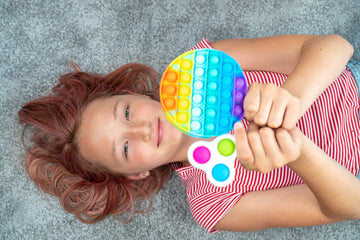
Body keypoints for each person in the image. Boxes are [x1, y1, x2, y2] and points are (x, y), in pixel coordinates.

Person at [18, 34, 360, 233]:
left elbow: (336, 47)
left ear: (133, 94)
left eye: (126, 112)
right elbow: (349, 206)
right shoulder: (212, 203)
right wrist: (296, 151)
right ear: (136, 174)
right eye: (124, 148)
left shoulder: (202, 67)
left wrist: (293, 98)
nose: (141, 128)